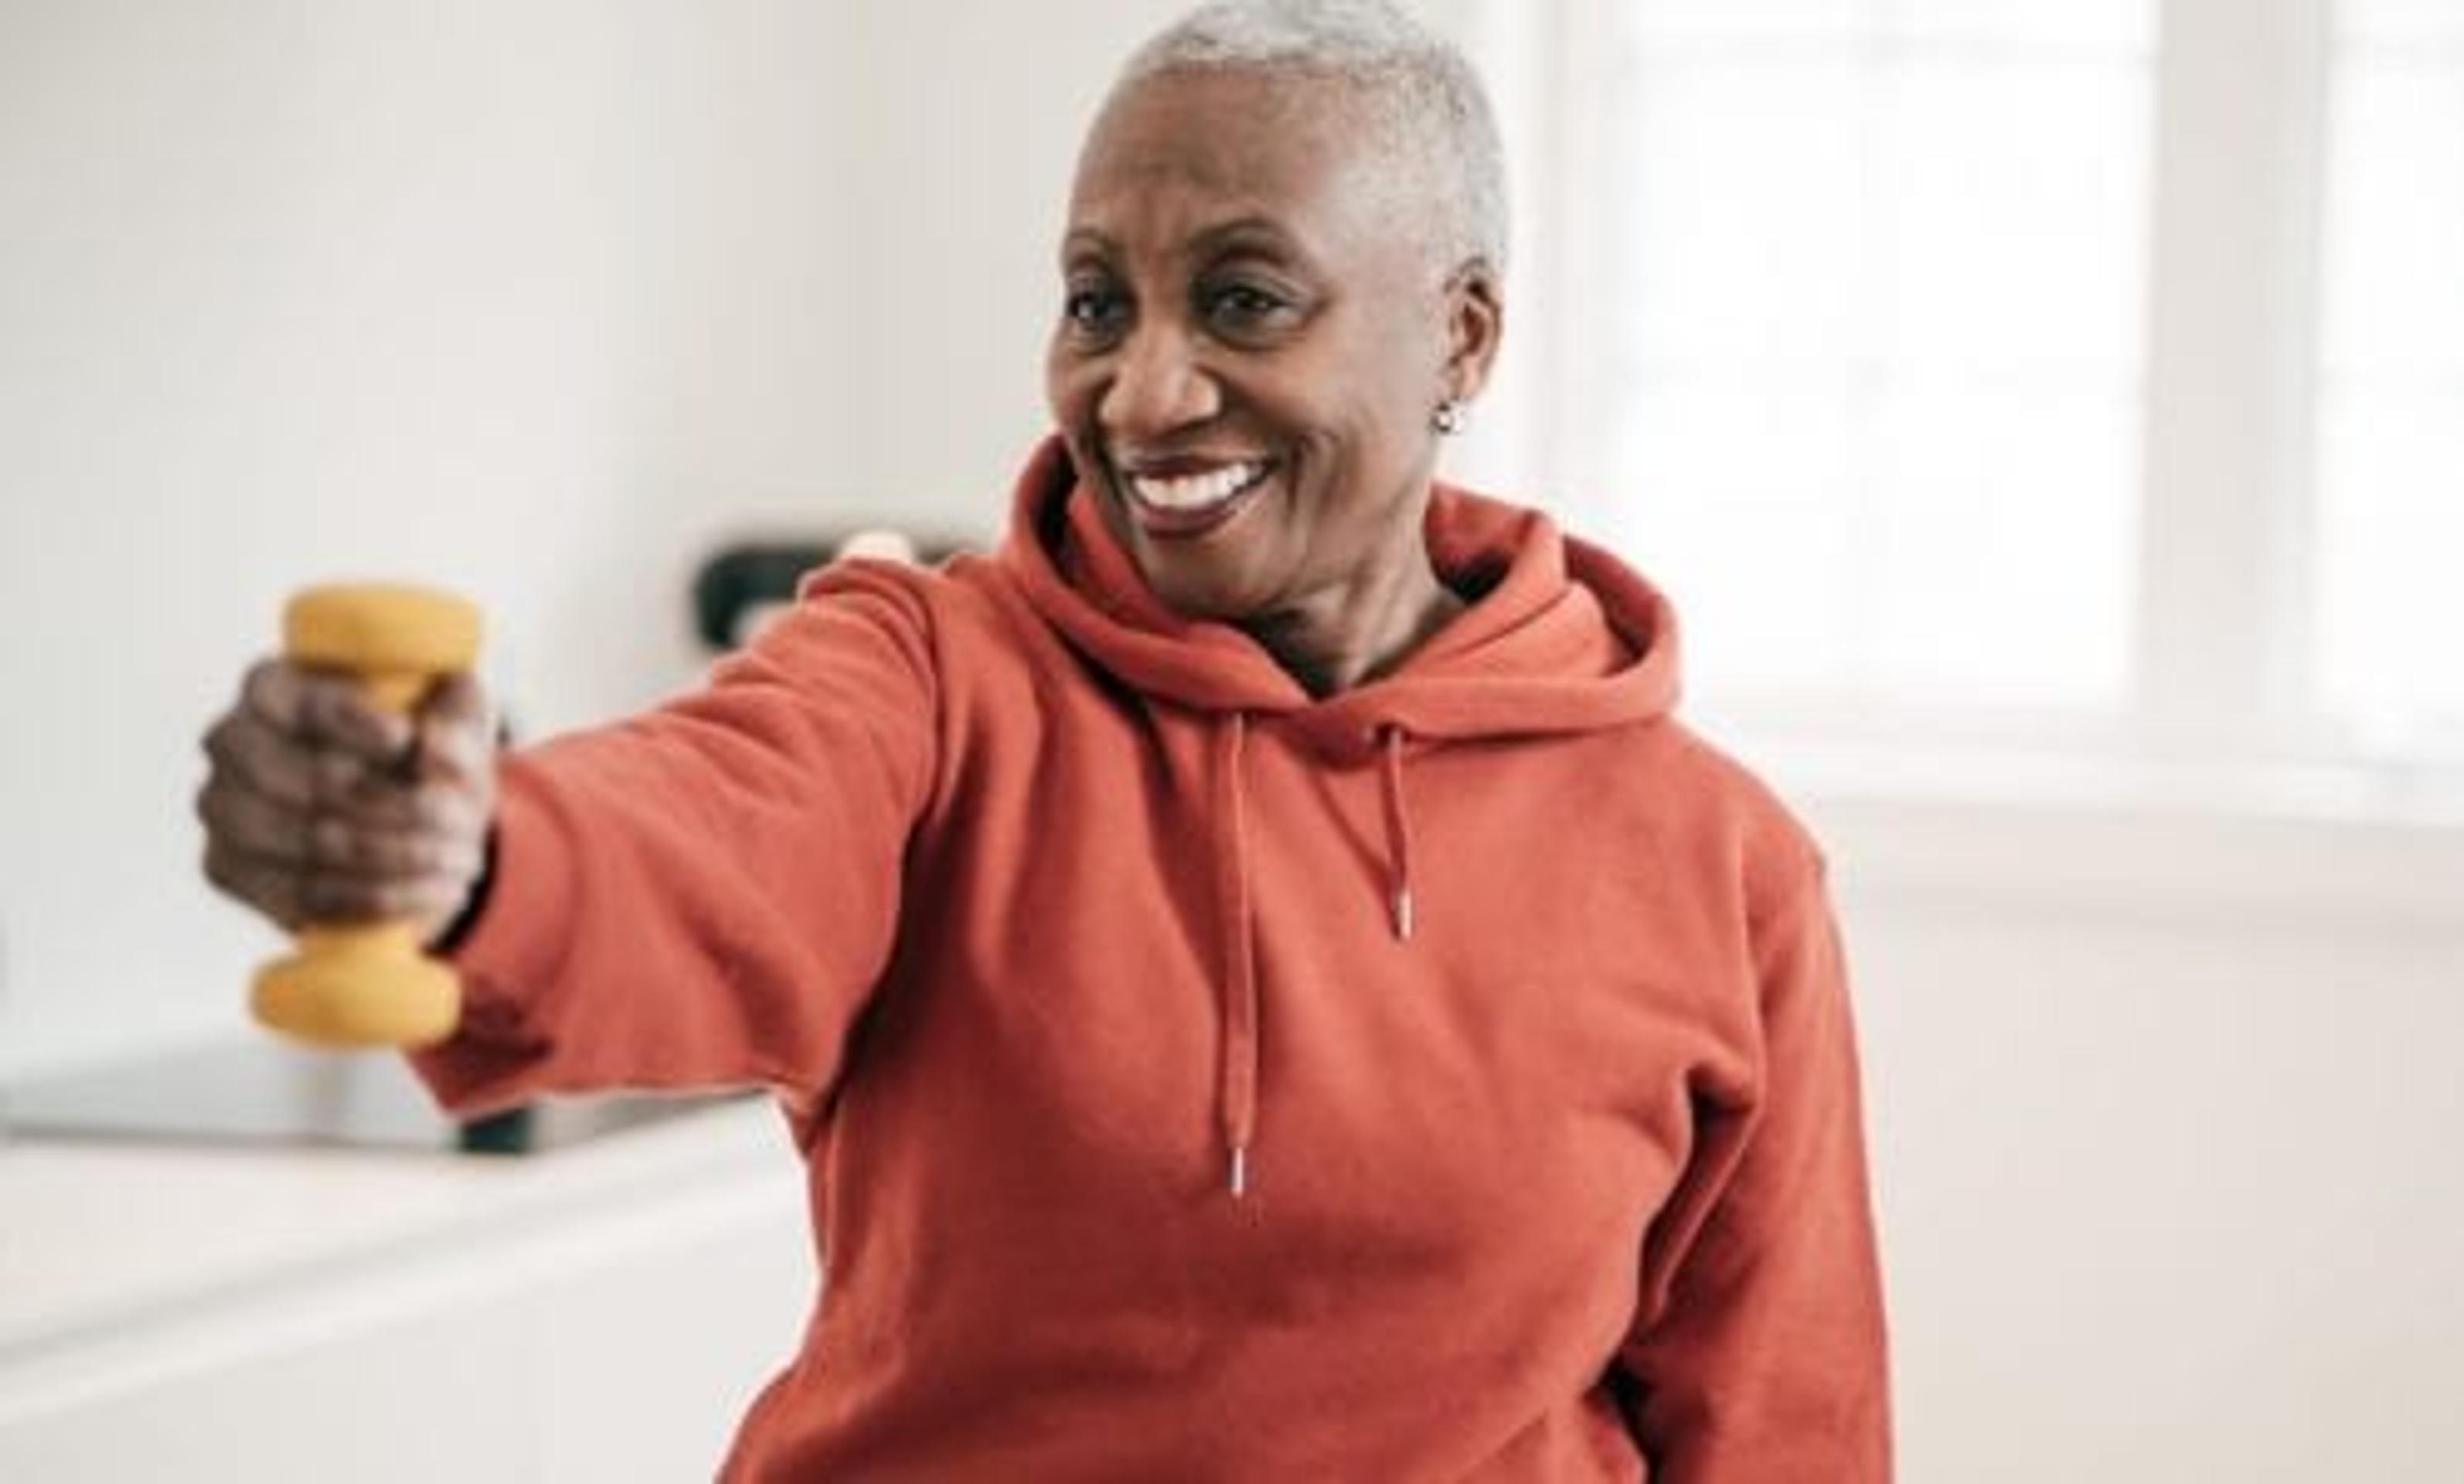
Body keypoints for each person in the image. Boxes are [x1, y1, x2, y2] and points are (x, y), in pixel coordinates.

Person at [194, 2, 1891, 1477]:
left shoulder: (1717, 864)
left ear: (1461, 333)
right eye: (1097, 302)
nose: (1142, 394)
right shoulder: (932, 679)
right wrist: (470, 852)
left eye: (1242, 302)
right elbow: (714, 820)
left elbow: (1785, 1429)